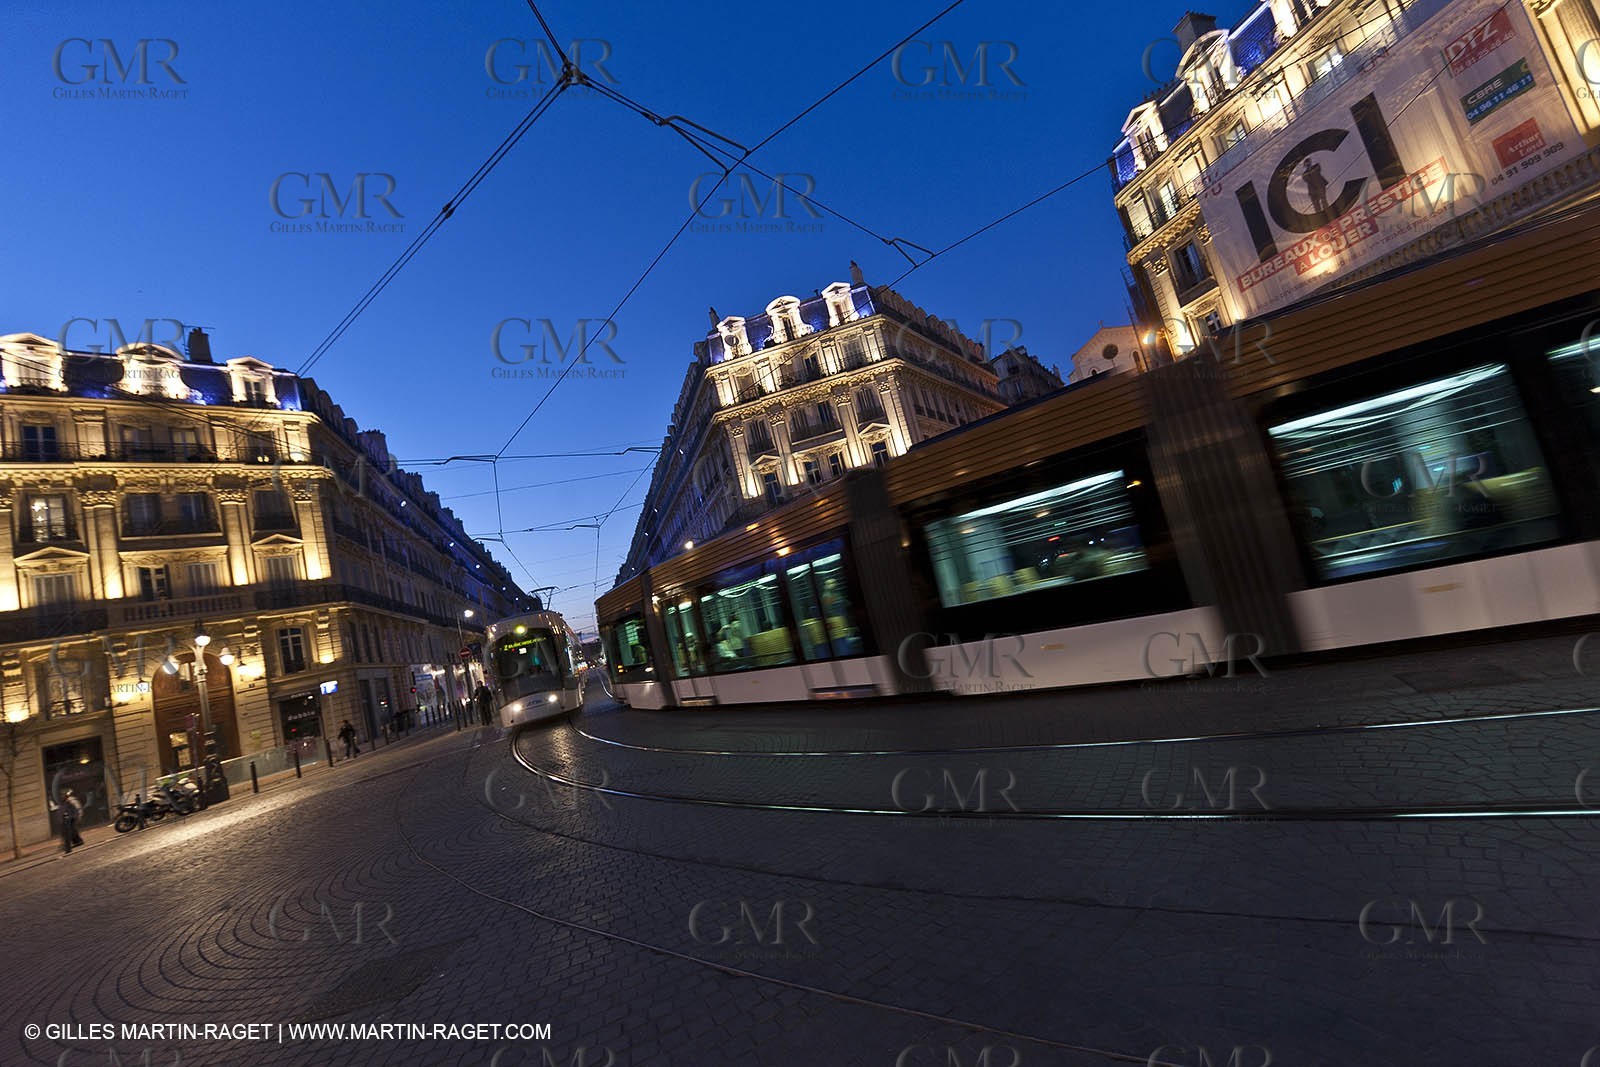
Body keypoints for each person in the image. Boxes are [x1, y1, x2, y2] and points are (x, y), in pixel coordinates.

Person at [59, 789, 84, 854]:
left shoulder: (71, 801)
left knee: (71, 832)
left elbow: (77, 809)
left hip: (72, 819)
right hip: (68, 820)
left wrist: (76, 817)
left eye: (63, 795)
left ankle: (71, 846)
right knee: (71, 832)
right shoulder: (65, 802)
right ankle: (76, 842)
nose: (62, 797)